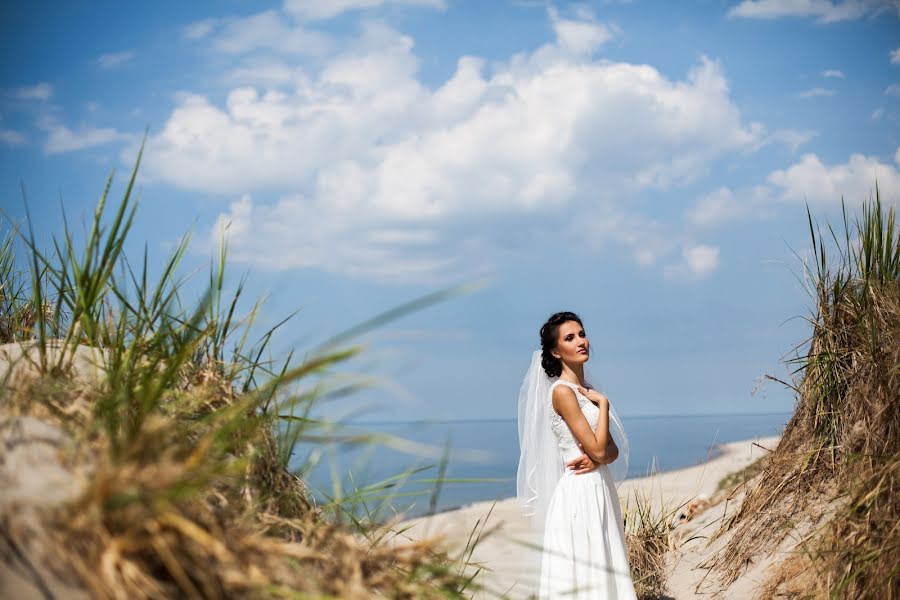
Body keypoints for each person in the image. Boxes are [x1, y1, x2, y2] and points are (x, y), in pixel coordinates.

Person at [516, 311, 637, 599]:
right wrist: (604, 407)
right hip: (580, 490)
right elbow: (599, 449)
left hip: (599, 486)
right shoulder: (563, 393)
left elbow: (612, 451)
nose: (581, 341)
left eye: (582, 334)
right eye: (570, 338)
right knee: (588, 565)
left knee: (605, 561)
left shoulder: (586, 391)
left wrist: (599, 455)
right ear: (556, 351)